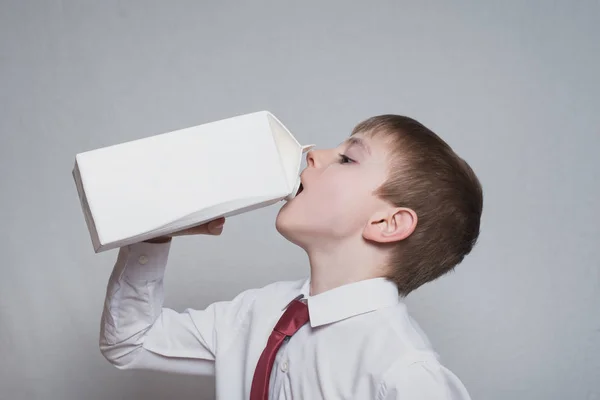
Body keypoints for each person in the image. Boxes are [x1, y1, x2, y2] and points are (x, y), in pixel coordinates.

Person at [99, 114, 483, 399]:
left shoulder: (406, 373)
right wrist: (154, 234)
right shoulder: (258, 311)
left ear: (386, 223)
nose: (314, 154)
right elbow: (132, 343)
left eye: (348, 158)